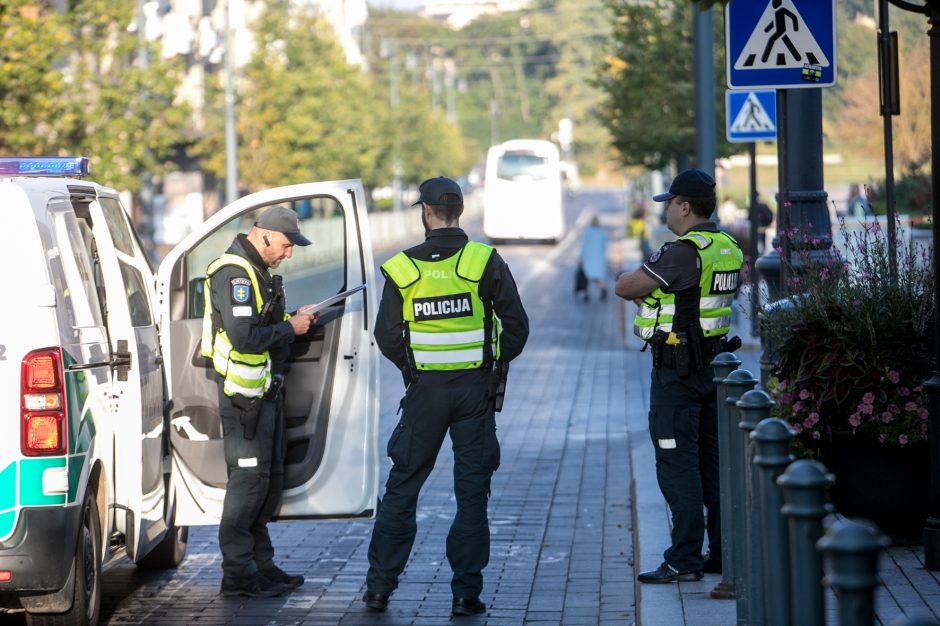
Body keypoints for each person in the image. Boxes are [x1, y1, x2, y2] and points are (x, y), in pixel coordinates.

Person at [363, 177, 529, 616]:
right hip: (475, 393)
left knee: (403, 488)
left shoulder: (403, 268)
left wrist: (412, 371)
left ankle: (379, 590)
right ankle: (465, 595)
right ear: (458, 210)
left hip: (425, 395)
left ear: (426, 211)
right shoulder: (483, 261)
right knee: (472, 494)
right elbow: (517, 328)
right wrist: (491, 362)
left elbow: (386, 335)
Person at [613, 168, 743, 584]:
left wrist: (644, 290)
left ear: (685, 207)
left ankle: (684, 558)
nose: (666, 209)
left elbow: (625, 285)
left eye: (669, 202)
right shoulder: (727, 247)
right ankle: (722, 552)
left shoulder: (683, 251)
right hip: (715, 367)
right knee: (713, 464)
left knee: (676, 463)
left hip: (678, 372)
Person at [202, 205, 315, 597]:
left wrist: (291, 320)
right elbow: (245, 338)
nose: (289, 253)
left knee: (266, 483)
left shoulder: (257, 271)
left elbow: (260, 325)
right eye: (286, 245)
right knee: (247, 485)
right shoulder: (234, 273)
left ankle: (261, 567)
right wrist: (290, 327)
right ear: (264, 234)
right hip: (242, 399)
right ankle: (238, 576)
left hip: (263, 391)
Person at [579, 215, 608, 302]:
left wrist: (581, 258)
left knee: (587, 277)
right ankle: (603, 288)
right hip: (599, 257)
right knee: (598, 277)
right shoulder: (602, 231)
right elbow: (603, 246)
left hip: (589, 257)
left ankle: (586, 295)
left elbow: (584, 246)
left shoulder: (588, 231)